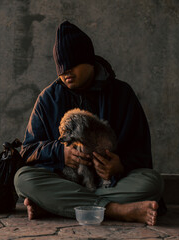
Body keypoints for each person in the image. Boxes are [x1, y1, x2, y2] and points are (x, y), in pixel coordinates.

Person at [14, 21, 165, 226]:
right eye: (61, 67)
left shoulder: (122, 94)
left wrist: (120, 165)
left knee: (152, 182)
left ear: (89, 61)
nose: (66, 71)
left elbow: (142, 151)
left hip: (110, 184)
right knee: (23, 179)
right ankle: (118, 210)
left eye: (72, 64)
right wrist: (61, 153)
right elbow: (28, 149)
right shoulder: (48, 98)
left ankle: (58, 205)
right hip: (64, 181)